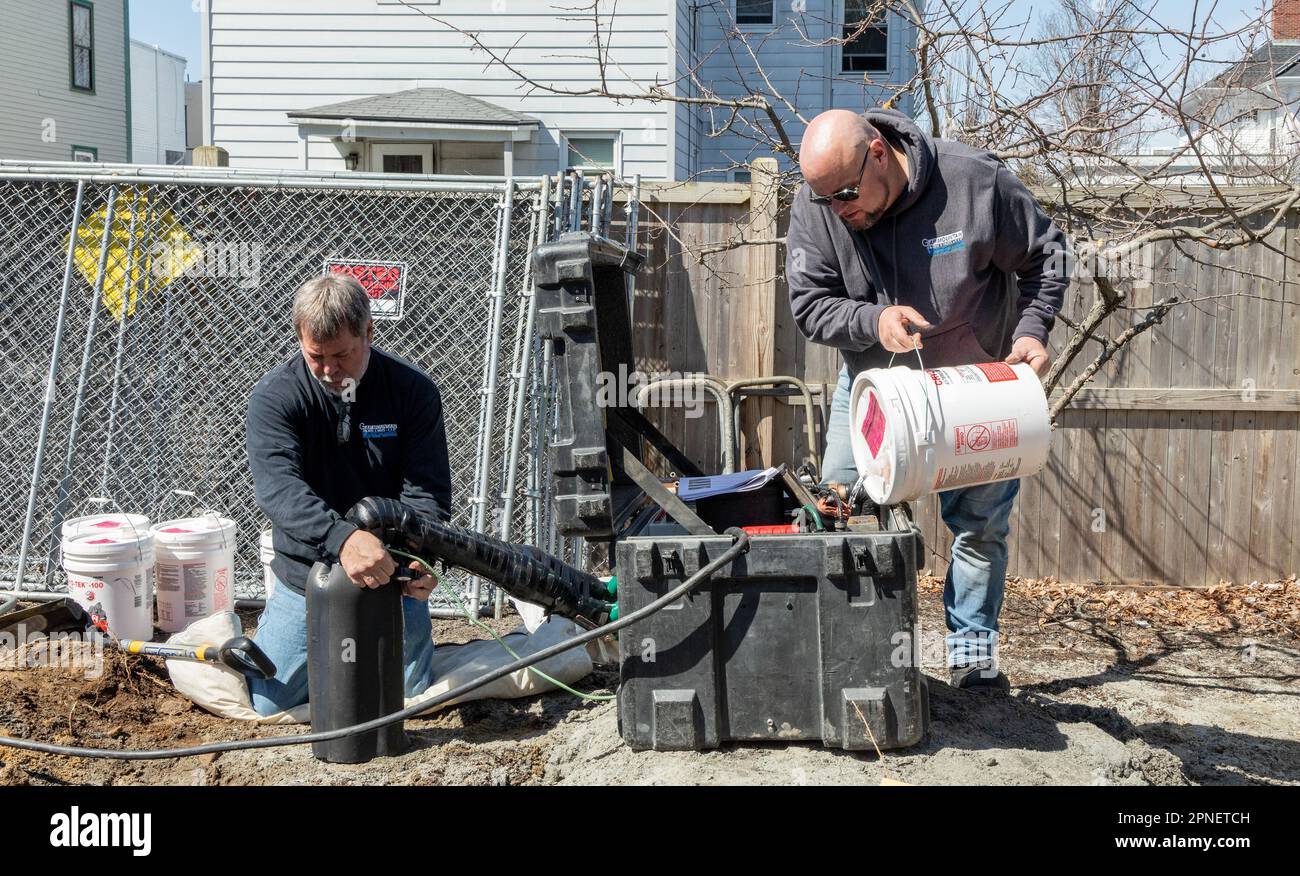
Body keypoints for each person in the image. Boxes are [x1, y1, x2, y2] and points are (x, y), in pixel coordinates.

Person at [786, 108, 1068, 691]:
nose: (839, 211)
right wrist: (872, 318)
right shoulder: (817, 205)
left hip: (975, 394)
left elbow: (1049, 255)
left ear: (879, 155)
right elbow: (809, 304)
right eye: (826, 201)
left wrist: (1033, 329)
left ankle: (970, 660)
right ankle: (859, 659)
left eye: (845, 194)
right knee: (843, 517)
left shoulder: (974, 181)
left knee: (980, 528)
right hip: (875, 392)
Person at [244, 273, 452, 716]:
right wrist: (343, 539)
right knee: (267, 703)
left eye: (342, 355)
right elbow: (280, 490)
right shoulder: (275, 397)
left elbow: (427, 493)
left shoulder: (412, 392)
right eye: (315, 356)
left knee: (407, 696)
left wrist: (420, 559)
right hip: (307, 575)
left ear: (369, 333)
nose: (329, 370)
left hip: (390, 574)